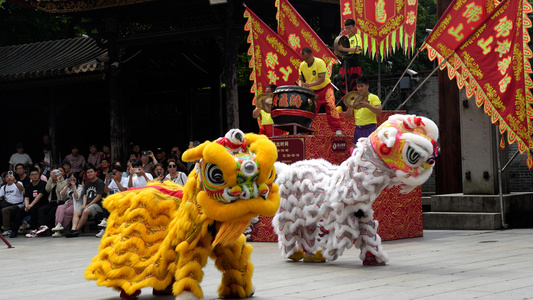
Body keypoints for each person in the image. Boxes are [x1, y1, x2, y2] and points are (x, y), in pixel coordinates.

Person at [298, 47, 343, 136]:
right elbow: (301, 79)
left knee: (331, 106)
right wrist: (301, 87)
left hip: (326, 88)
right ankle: (304, 130)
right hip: (313, 92)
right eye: (304, 59)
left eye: (307, 58)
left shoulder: (319, 62)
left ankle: (337, 129)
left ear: (311, 54)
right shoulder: (302, 65)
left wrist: (309, 85)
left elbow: (322, 79)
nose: (305, 60)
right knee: (309, 110)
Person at [65, 165, 105, 238]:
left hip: (97, 205)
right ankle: (73, 229)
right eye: (88, 172)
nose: (89, 174)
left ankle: (77, 230)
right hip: (87, 204)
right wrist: (83, 205)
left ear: (95, 173)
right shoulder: (87, 183)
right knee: (76, 212)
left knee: (85, 211)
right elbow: (84, 195)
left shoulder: (100, 182)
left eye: (91, 172)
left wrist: (87, 206)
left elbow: (98, 196)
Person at [26, 168, 66, 237]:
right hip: (51, 202)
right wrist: (51, 178)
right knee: (40, 210)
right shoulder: (51, 182)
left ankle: (39, 229)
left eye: (58, 172)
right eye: (54, 173)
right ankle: (42, 227)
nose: (56, 174)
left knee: (51, 213)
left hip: (59, 202)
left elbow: (60, 190)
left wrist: (59, 180)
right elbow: (47, 189)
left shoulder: (64, 182)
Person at [9, 167, 48, 238]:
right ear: (29, 176)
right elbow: (26, 198)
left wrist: (31, 205)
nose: (35, 176)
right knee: (21, 211)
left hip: (42, 203)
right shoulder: (28, 186)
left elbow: (40, 195)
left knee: (33, 209)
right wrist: (27, 206)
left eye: (36, 174)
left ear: (39, 175)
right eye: (32, 175)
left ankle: (33, 229)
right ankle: (14, 231)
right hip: (30, 204)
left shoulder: (43, 183)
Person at [346, 76, 382, 148]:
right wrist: (351, 105)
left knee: (372, 153)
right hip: (358, 130)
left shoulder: (373, 97)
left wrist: (367, 105)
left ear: (367, 86)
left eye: (362, 86)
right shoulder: (355, 98)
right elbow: (348, 116)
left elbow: (379, 110)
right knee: (357, 154)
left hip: (370, 129)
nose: (360, 88)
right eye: (358, 87)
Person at [337, 18, 363, 96]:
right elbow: (340, 52)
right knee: (343, 85)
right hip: (344, 64)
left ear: (354, 27)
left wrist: (344, 49)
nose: (348, 30)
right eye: (346, 28)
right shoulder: (344, 38)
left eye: (350, 28)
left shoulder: (357, 37)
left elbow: (357, 49)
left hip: (353, 64)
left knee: (354, 84)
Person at [0, 171, 25, 237]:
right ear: (4, 179)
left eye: (10, 176)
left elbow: (22, 189)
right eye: (7, 176)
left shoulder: (18, 183)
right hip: (8, 205)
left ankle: (7, 229)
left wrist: (15, 181)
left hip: (18, 205)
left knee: (5, 210)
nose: (9, 178)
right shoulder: (3, 187)